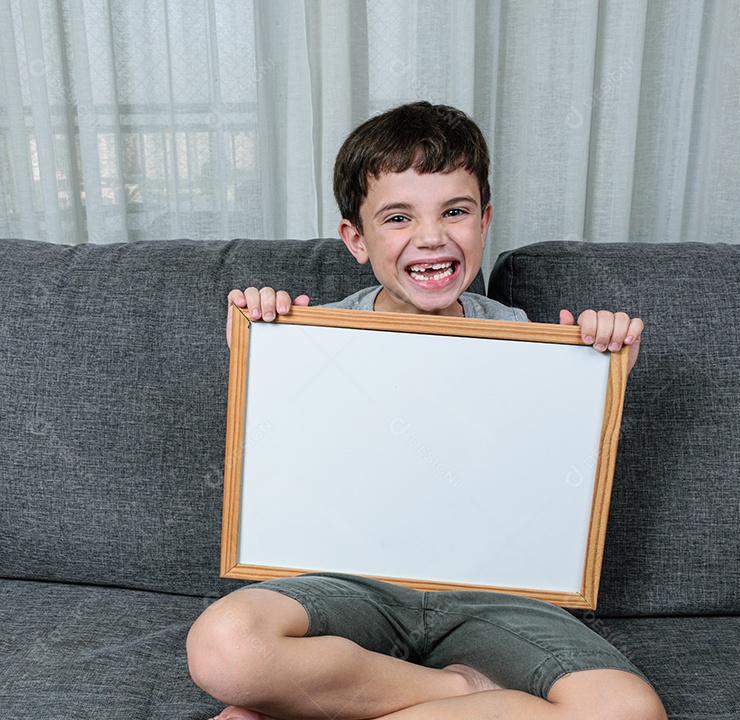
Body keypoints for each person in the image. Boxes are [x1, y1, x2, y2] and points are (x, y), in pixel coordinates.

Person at [187, 102, 663, 720]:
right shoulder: (313, 337)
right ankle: (461, 693)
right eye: (398, 217)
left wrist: (599, 379)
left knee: (627, 711)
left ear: (484, 223)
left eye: (455, 212)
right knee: (226, 648)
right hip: (349, 585)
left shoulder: (531, 340)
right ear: (356, 240)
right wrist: (263, 351)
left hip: (493, 598)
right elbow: (293, 470)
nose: (432, 236)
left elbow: (549, 484)